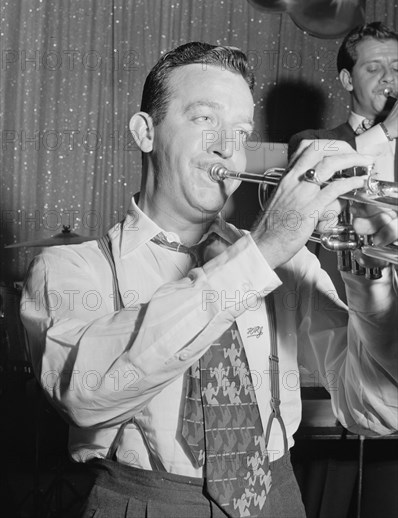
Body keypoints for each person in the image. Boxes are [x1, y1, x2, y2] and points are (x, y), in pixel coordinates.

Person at [21, 42, 397, 518]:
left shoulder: (289, 264)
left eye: (241, 130)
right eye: (204, 120)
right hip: (146, 502)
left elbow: (377, 410)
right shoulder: (71, 267)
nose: (227, 146)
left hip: (279, 499)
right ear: (145, 132)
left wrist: (367, 272)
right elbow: (85, 395)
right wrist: (260, 251)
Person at [288, 21, 398, 182]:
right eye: (373, 68)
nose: (389, 77)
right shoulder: (312, 142)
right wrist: (385, 132)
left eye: (397, 69)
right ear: (348, 80)